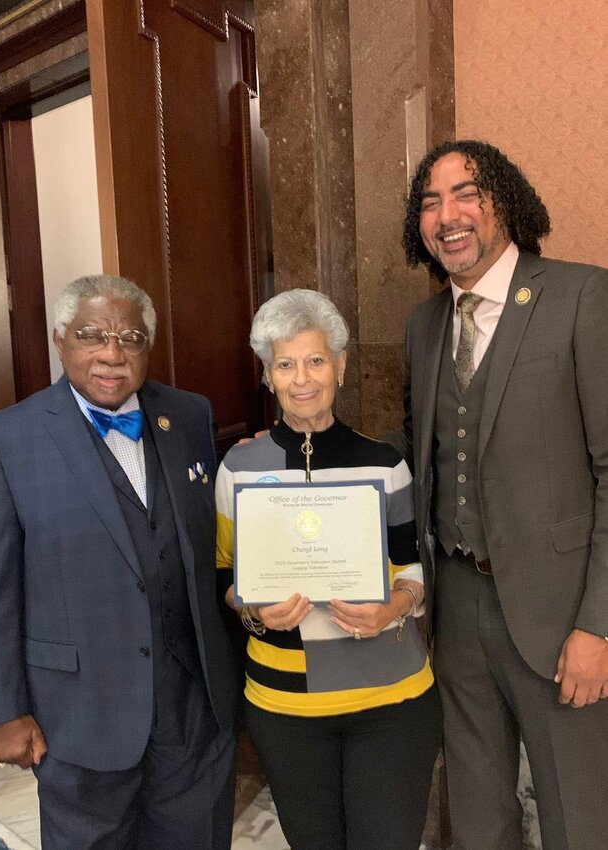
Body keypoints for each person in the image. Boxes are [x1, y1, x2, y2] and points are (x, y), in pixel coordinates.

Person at [0, 274, 240, 850]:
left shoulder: (190, 416)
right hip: (78, 713)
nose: (112, 354)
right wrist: (1, 709)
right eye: (93, 335)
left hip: (193, 703)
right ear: (60, 339)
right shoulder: (4, 440)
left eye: (130, 337)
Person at [401, 139, 608, 850]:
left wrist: (600, 626)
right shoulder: (425, 327)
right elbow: (421, 464)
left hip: (561, 617)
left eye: (467, 193)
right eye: (431, 202)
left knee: (577, 813)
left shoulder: (582, 296)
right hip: (458, 609)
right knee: (478, 812)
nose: (447, 215)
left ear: (506, 203)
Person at [215, 288, 442, 850]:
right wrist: (253, 609)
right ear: (268, 375)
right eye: (285, 364)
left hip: (389, 699)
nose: (302, 378)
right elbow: (225, 574)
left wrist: (395, 604)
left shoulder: (385, 463)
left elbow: (414, 567)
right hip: (284, 705)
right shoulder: (239, 466)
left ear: (341, 365)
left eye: (316, 360)